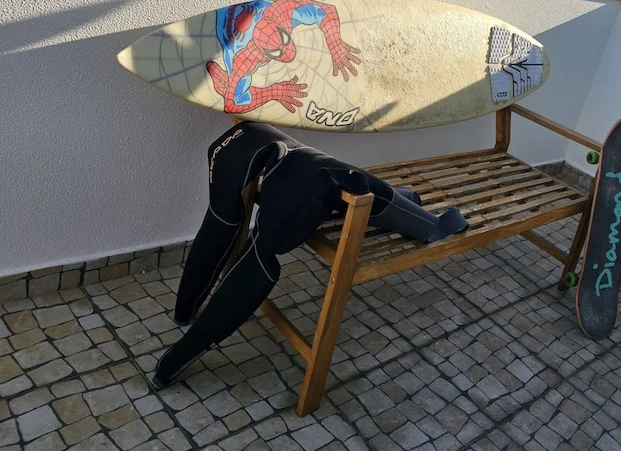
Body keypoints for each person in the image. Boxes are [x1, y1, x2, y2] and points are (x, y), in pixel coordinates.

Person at [153, 121, 468, 388]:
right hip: (305, 170)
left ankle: (183, 314)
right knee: (254, 243)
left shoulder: (247, 136)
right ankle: (175, 353)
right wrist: (432, 225)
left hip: (243, 143)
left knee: (223, 219)